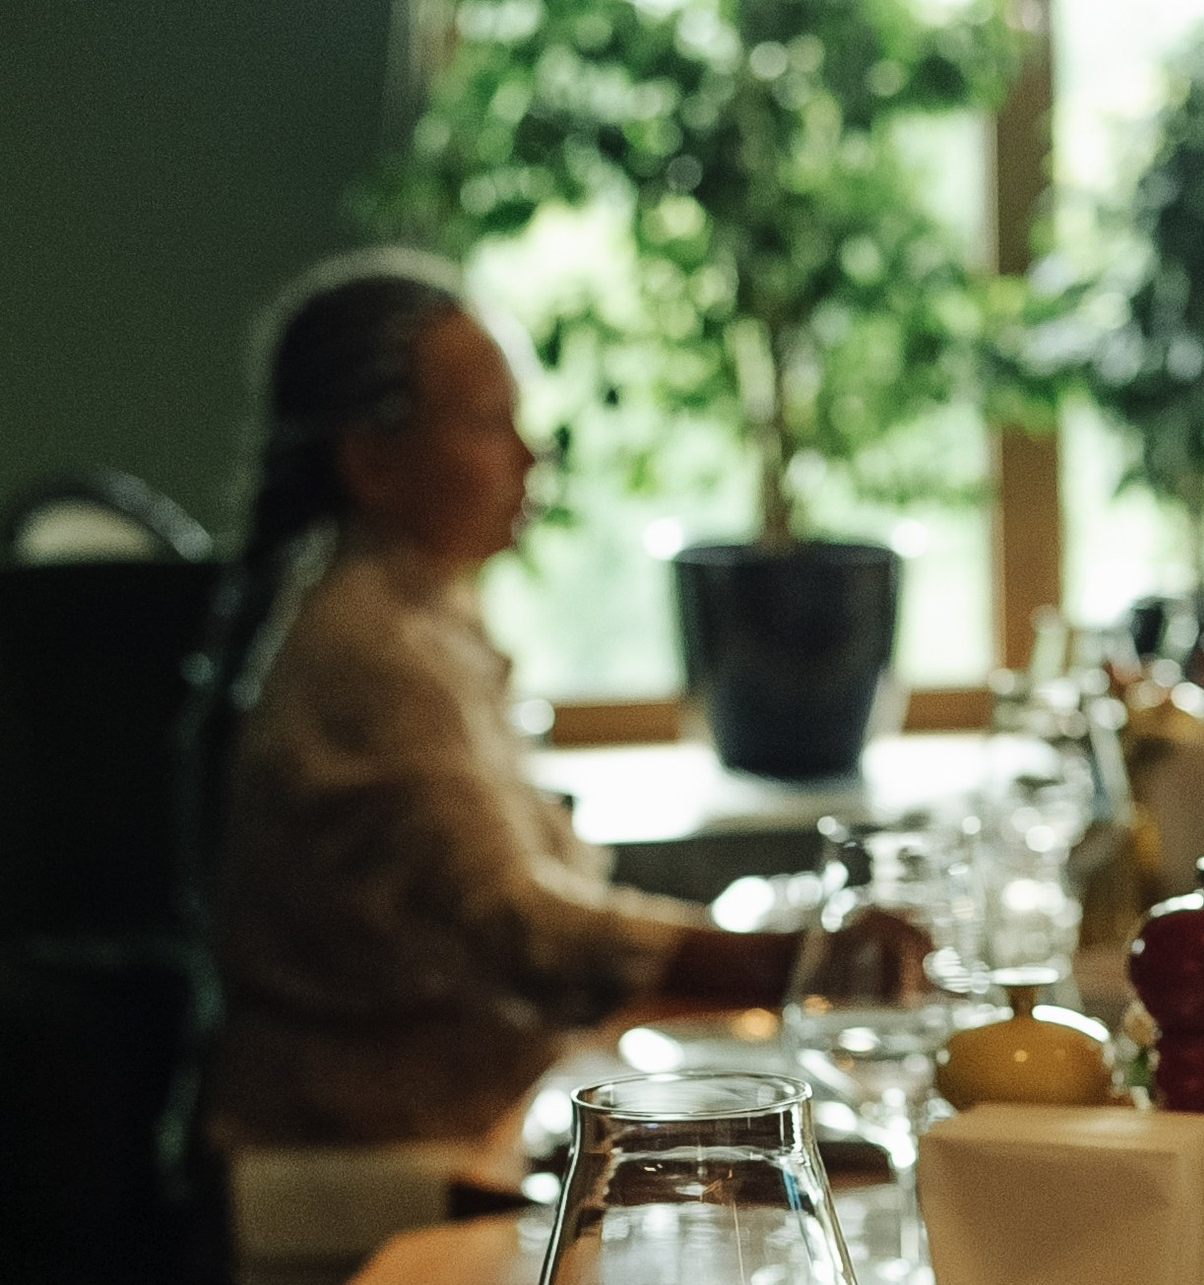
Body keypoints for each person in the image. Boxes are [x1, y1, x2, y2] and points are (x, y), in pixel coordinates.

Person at [204, 253, 828, 1151]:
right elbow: (517, 927)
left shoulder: (418, 615)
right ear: (372, 463)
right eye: (489, 422)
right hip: (373, 1144)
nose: (530, 453)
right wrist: (791, 958)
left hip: (443, 1116)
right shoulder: (369, 652)